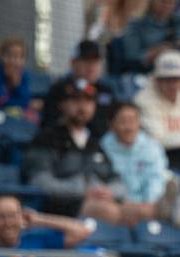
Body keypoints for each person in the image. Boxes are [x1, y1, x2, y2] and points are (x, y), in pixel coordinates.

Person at [23, 80, 126, 221]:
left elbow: (118, 181)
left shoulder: (95, 142)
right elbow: (40, 182)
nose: (82, 107)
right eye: (76, 101)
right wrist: (82, 190)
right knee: (112, 212)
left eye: (88, 101)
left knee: (140, 211)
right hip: (61, 208)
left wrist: (109, 192)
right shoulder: (46, 138)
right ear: (62, 105)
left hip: (99, 202)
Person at [100, 102, 180, 227]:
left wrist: (150, 202)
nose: (128, 127)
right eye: (122, 121)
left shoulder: (151, 146)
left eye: (133, 121)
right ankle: (174, 210)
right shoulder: (102, 148)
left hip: (150, 200)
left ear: (139, 123)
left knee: (168, 180)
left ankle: (169, 207)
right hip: (122, 202)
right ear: (112, 125)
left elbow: (156, 177)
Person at [40, 40, 118, 131]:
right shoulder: (60, 90)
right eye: (86, 61)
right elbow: (49, 123)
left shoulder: (106, 90)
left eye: (96, 61)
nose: (91, 66)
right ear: (73, 62)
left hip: (99, 142)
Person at [0, 36, 40, 115]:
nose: (15, 62)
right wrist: (24, 103)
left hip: (13, 116)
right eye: (11, 56)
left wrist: (17, 85)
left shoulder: (23, 74)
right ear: (1, 56)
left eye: (20, 57)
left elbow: (25, 100)